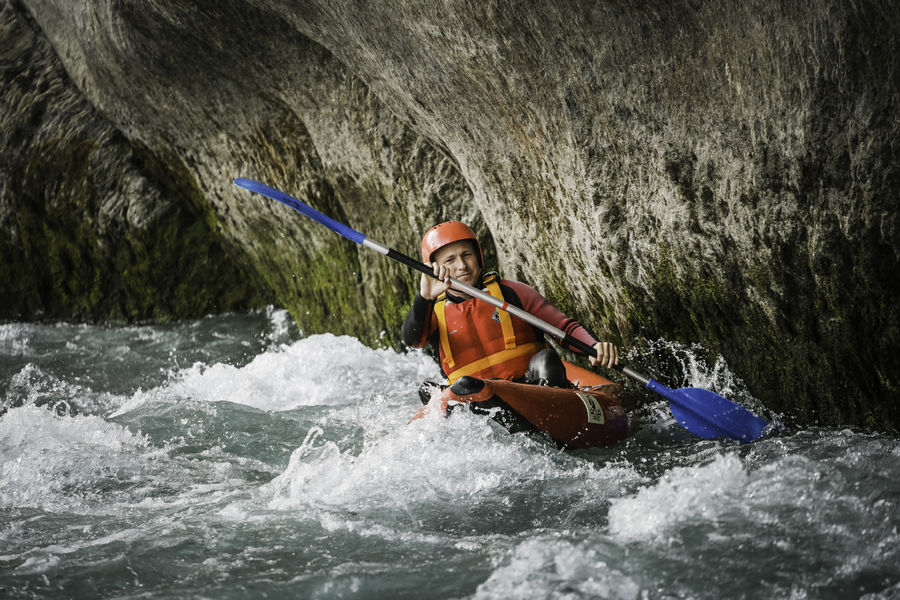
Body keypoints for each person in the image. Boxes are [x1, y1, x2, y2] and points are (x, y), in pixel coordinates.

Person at [402, 221, 619, 387]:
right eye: (450, 260)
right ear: (435, 268)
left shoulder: (512, 292)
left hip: (533, 388)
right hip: (476, 402)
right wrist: (424, 298)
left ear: (478, 257)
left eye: (466, 255)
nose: (462, 266)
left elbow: (564, 328)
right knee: (434, 390)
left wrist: (593, 346)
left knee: (546, 360)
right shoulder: (430, 310)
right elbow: (413, 340)